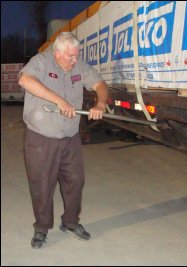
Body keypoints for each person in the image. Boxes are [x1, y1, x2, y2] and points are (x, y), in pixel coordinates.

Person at [18, 32, 108, 249]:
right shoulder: (41, 61)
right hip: (41, 138)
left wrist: (100, 104)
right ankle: (41, 227)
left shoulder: (79, 66)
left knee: (75, 181)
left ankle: (70, 222)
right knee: (42, 184)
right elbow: (25, 80)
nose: (74, 60)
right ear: (57, 53)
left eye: (77, 56)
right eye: (70, 56)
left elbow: (100, 84)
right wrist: (60, 101)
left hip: (70, 139)